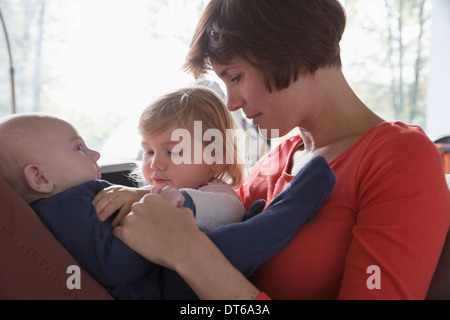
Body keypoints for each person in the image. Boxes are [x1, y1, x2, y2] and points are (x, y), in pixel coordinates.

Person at [111, 0, 450, 300]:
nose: (231, 103)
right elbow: (211, 218)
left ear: (295, 54)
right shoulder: (273, 163)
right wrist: (144, 201)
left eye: (236, 77)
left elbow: (202, 255)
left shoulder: (400, 158)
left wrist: (188, 254)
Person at [0, 111, 335, 298]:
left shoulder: (76, 198)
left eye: (172, 152)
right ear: (39, 179)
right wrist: (151, 233)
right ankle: (296, 205)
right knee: (232, 246)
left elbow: (224, 203)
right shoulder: (64, 208)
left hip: (169, 272)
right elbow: (111, 265)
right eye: (78, 148)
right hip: (157, 288)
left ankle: (274, 214)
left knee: (235, 239)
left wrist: (151, 210)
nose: (96, 153)